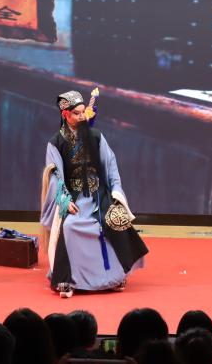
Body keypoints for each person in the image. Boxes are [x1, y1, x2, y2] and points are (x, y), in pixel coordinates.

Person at [40, 89, 148, 297]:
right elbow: (55, 175)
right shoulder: (56, 142)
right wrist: (64, 199)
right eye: (77, 113)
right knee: (70, 227)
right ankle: (69, 279)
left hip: (99, 194)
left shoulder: (96, 136)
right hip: (74, 197)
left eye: (83, 112)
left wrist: (116, 192)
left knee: (113, 221)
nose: (82, 116)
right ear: (65, 115)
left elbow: (111, 165)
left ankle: (115, 276)